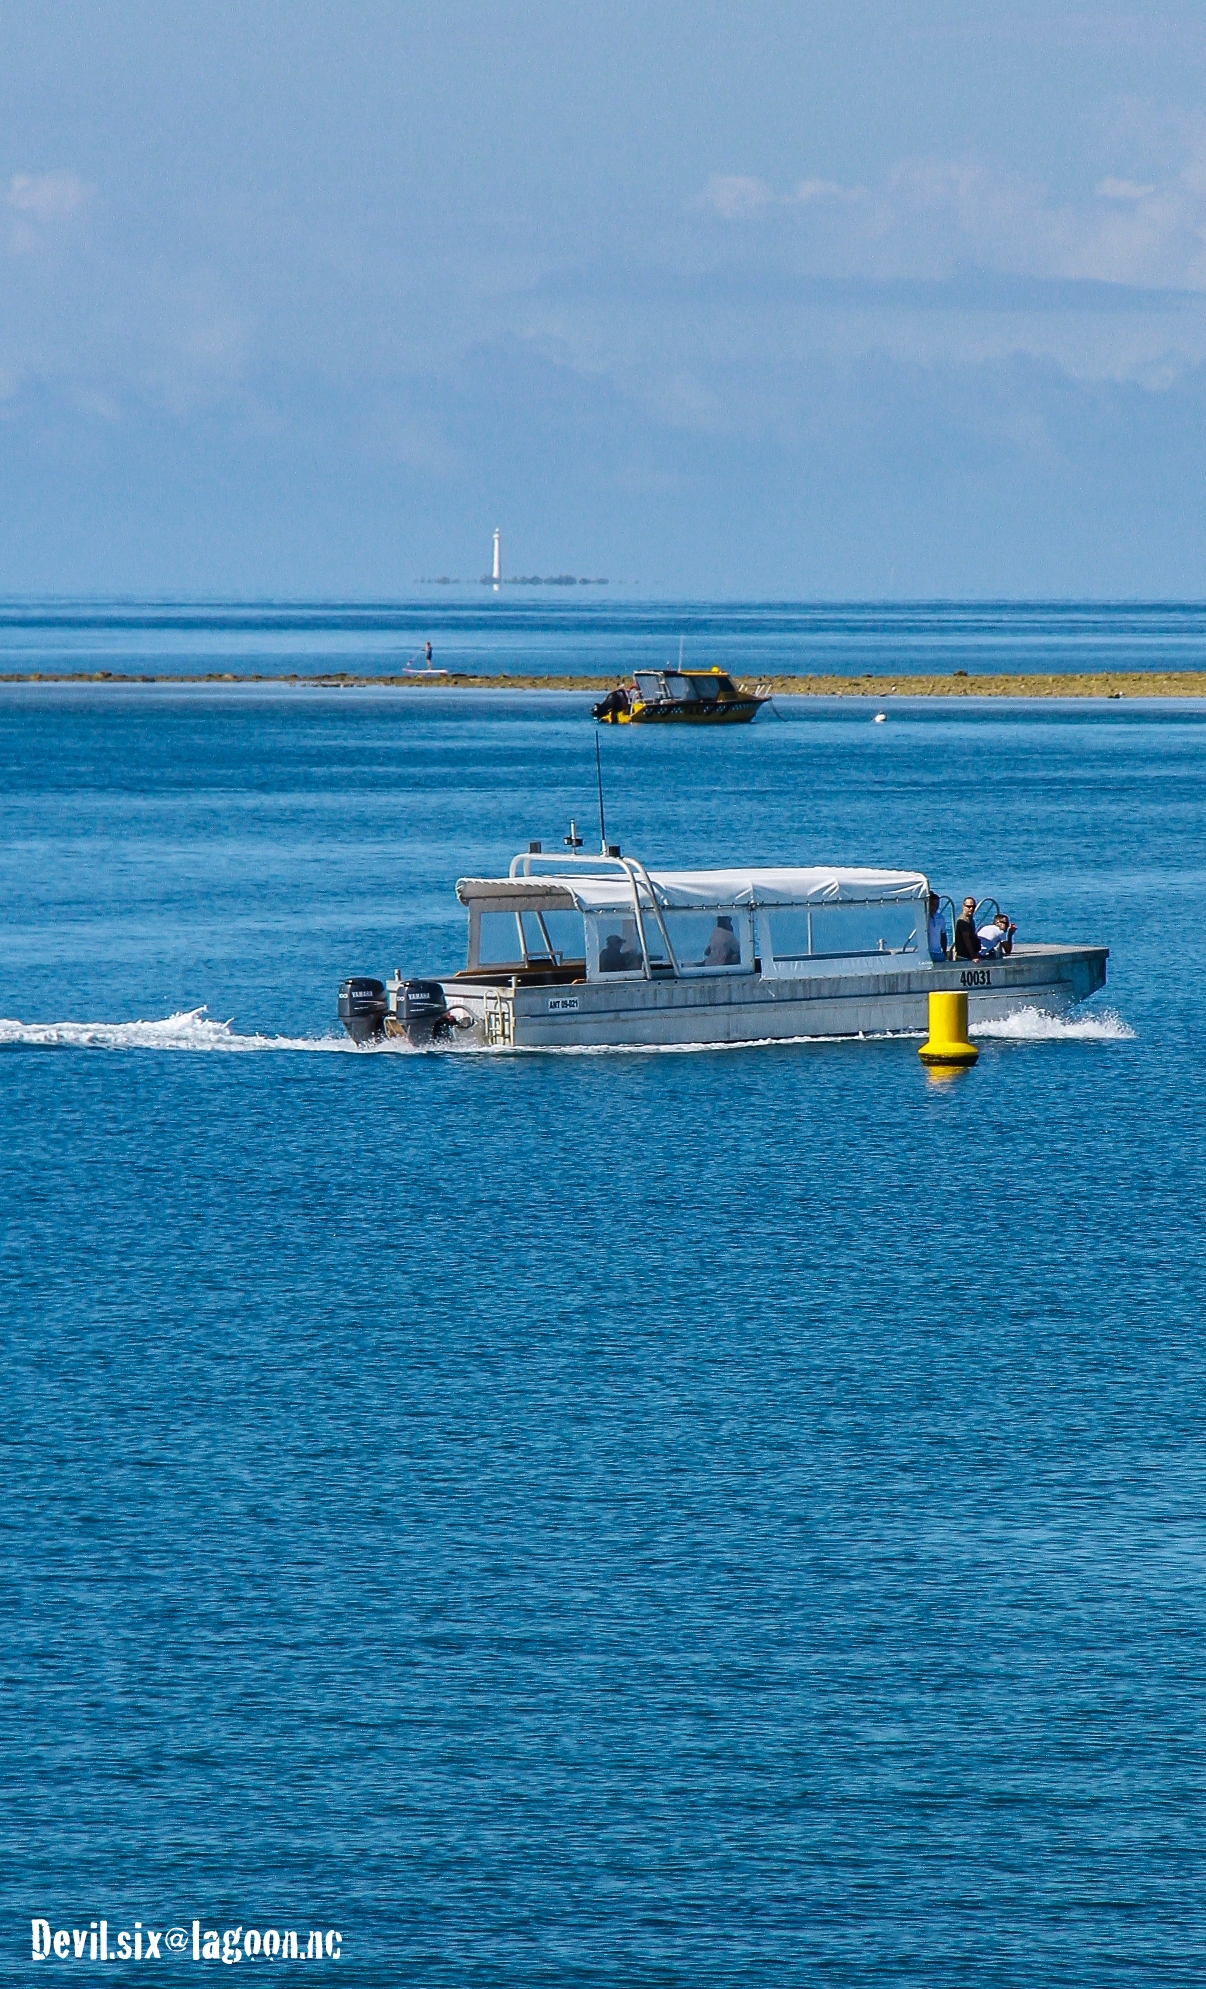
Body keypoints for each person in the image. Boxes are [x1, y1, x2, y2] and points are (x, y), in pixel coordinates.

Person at [927, 892, 948, 963]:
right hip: (928, 952)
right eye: (932, 905)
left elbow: (943, 934)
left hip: (938, 952)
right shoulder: (925, 918)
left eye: (937, 905)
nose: (934, 908)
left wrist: (944, 951)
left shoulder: (940, 918)